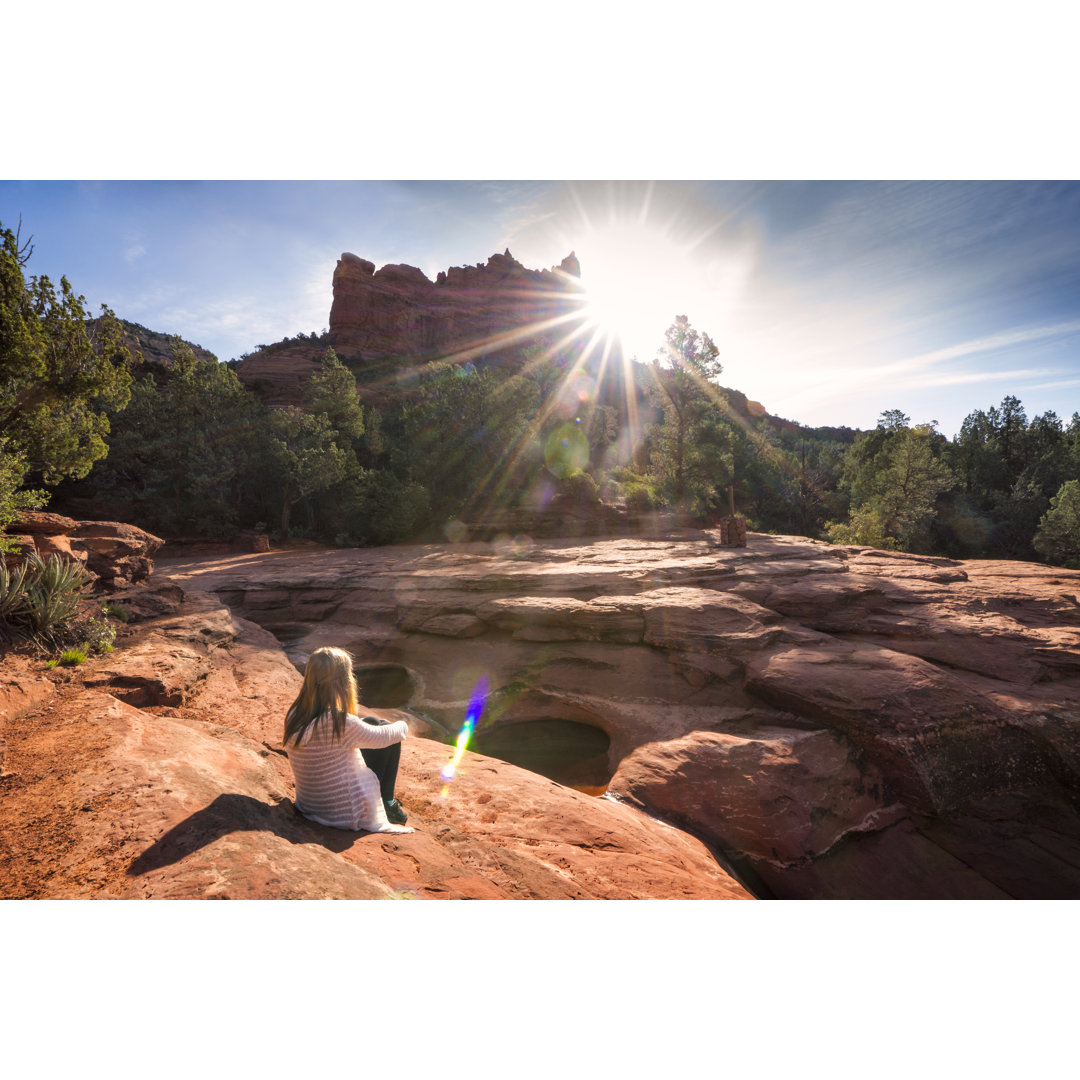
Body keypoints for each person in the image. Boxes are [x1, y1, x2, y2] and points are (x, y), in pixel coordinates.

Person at [283, 646, 413, 833]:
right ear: (344, 682)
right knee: (386, 731)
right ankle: (387, 803)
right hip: (344, 811)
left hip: (312, 804)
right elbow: (387, 737)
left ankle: (388, 802)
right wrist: (404, 724)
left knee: (372, 722)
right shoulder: (338, 722)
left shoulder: (295, 713)